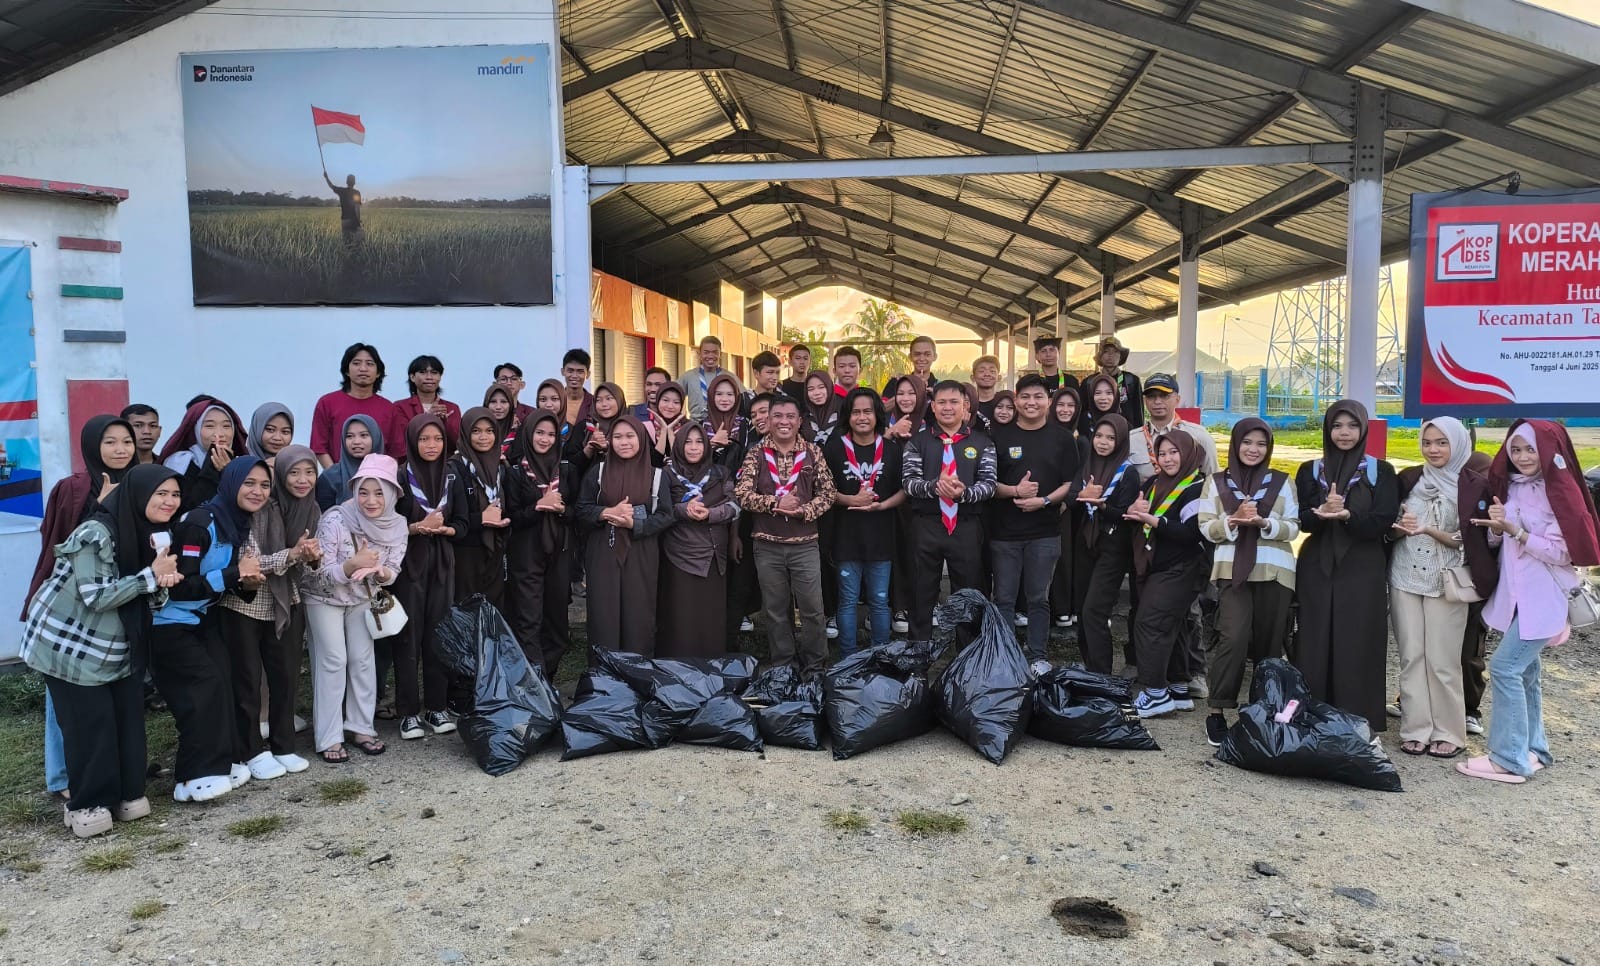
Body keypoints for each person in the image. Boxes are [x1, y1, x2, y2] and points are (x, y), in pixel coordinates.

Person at [20, 464, 182, 837]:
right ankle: (86, 805)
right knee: (90, 725)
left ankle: (127, 793)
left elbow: (146, 598)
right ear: (139, 494)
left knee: (126, 719)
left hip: (116, 648)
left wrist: (160, 584)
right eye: (161, 493)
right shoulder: (95, 533)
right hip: (68, 647)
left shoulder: (151, 535)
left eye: (175, 494)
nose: (170, 501)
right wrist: (149, 578)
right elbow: (96, 596)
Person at [1459, 420, 1600, 784]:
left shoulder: (1561, 492)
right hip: (1517, 597)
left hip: (1546, 597)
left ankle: (1509, 759)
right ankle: (1534, 750)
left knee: (1506, 669)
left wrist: (1516, 531)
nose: (1521, 457)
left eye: (1530, 449)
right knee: (1527, 673)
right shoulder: (1512, 488)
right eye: (1516, 449)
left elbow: (1562, 552)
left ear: (1549, 451)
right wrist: (1495, 529)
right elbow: (1500, 544)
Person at [24, 415, 138, 806]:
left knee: (105, 705)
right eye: (110, 442)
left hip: (117, 608)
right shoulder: (74, 488)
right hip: (75, 613)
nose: (121, 449)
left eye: (127, 440)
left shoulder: (138, 482)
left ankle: (113, 772)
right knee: (66, 699)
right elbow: (60, 545)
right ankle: (62, 777)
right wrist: (100, 511)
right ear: (92, 446)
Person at [150, 457, 268, 800]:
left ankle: (225, 761)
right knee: (201, 692)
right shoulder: (201, 523)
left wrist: (247, 581)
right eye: (249, 483)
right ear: (230, 483)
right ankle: (192, 775)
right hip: (169, 624)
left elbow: (222, 581)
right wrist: (234, 575)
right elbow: (179, 586)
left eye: (263, 485)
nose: (257, 491)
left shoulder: (235, 523)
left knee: (224, 685)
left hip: (202, 620)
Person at [1293, 399, 1399, 732]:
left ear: (1364, 428)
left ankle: (1358, 716)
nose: (1344, 433)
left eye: (1352, 425)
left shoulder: (1380, 471)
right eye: (1337, 425)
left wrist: (1350, 516)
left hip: (1362, 564)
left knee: (1358, 638)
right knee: (1314, 636)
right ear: (1327, 429)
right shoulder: (1311, 469)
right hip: (1317, 563)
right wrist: (1321, 512)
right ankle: (1313, 713)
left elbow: (1384, 520)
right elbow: (1302, 522)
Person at [218, 445, 321, 777]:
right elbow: (246, 564)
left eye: (310, 473)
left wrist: (312, 559)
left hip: (287, 601)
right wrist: (291, 556)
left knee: (286, 677)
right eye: (294, 472)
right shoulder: (253, 511)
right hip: (245, 604)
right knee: (247, 680)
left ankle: (284, 746)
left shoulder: (310, 509)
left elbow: (308, 569)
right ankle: (251, 750)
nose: (302, 480)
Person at [1197, 418, 1298, 745]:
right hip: (1232, 573)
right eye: (1247, 443)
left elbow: (1294, 526)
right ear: (1236, 445)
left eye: (1261, 444)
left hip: (1274, 572)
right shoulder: (1216, 482)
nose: (1253, 450)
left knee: (1270, 646)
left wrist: (1265, 522)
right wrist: (1234, 521)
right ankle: (1217, 711)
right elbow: (1205, 526)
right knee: (1234, 638)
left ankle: (1264, 711)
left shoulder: (1282, 482)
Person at [303, 454, 407, 763]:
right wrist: (351, 566)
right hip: (324, 598)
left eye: (379, 492)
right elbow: (319, 573)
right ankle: (329, 737)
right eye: (363, 491)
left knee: (363, 661)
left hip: (361, 597)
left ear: (391, 494)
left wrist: (380, 572)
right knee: (333, 660)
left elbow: (393, 569)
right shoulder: (336, 518)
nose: (370, 500)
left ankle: (362, 727)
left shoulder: (398, 524)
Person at [1388, 417, 1474, 759]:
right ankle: (1415, 728)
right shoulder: (1410, 480)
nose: (1434, 449)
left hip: (1446, 582)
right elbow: (1391, 529)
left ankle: (1449, 731)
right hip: (1404, 578)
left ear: (1457, 444)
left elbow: (1467, 542)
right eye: (1428, 442)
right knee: (1411, 656)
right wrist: (1399, 528)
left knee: (1443, 659)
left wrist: (1427, 529)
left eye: (1442, 442)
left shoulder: (1472, 485)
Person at [733, 396, 837, 672]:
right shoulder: (756, 453)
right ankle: (784, 666)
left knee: (813, 609)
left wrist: (804, 510)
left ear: (799, 421)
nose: (784, 422)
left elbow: (828, 494)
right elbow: (742, 494)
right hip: (767, 545)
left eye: (790, 416)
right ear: (768, 420)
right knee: (777, 612)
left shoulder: (812, 452)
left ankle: (816, 665)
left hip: (805, 545)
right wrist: (775, 503)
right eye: (777, 416)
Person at [989, 375, 1080, 675]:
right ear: (1016, 400)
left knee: (1038, 597)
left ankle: (1038, 655)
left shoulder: (1063, 438)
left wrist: (1042, 501)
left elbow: (1070, 483)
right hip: (1004, 532)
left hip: (1045, 531)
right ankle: (1002, 655)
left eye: (1038, 397)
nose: (1031, 402)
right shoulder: (999, 436)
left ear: (1048, 402)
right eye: (1025, 396)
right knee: (1003, 597)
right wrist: (1015, 491)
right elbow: (988, 482)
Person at [900, 380, 997, 641]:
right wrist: (935, 487)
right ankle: (917, 660)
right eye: (941, 402)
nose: (947, 407)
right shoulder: (917, 442)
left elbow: (989, 485)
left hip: (966, 525)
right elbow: (908, 483)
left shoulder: (982, 442)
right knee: (922, 593)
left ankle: (967, 661)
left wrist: (962, 493)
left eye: (954, 402)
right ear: (932, 407)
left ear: (965, 406)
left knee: (966, 595)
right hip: (926, 525)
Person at [1125, 433, 1208, 718]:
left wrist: (1154, 521)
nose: (1168, 458)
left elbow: (1192, 533)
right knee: (1174, 625)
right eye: (1162, 454)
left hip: (1181, 568)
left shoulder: (1196, 487)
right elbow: (1137, 511)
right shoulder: (1153, 483)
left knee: (1150, 624)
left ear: (1188, 453)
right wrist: (1134, 510)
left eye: (1175, 452)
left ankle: (1156, 693)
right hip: (1156, 565)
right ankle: (1178, 687)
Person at [576, 415, 675, 654]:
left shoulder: (656, 475)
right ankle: (604, 677)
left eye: (630, 436)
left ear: (641, 439)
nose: (624, 442)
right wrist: (606, 512)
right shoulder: (598, 472)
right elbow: (581, 508)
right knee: (603, 614)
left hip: (641, 549)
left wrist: (635, 524)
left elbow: (665, 515)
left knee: (638, 612)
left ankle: (638, 672)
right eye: (617, 437)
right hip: (604, 549)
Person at [393, 415, 460, 739]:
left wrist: (450, 529)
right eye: (424, 439)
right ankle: (407, 712)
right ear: (412, 441)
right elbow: (387, 525)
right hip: (409, 567)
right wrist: (416, 528)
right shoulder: (400, 477)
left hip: (443, 566)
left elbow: (462, 520)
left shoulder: (452, 475)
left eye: (437, 439)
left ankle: (436, 707)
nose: (431, 445)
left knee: (438, 636)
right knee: (409, 638)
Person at [823, 388, 905, 655]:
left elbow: (905, 490)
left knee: (880, 601)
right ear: (848, 415)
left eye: (867, 411)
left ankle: (879, 656)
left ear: (876, 414)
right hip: (847, 537)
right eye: (856, 412)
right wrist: (850, 500)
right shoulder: (834, 447)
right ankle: (848, 658)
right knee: (847, 601)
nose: (862, 417)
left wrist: (882, 505)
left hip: (881, 536)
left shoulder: (892, 449)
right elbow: (821, 490)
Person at [505, 412, 576, 677]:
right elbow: (511, 516)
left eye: (550, 434)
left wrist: (559, 509)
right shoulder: (515, 471)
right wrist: (538, 506)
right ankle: (534, 688)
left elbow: (576, 513)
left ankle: (546, 679)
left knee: (557, 624)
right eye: (539, 432)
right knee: (528, 622)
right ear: (528, 434)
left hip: (559, 553)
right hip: (526, 555)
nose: (544, 439)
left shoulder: (566, 469)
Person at [1070, 414, 1143, 674]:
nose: (1103, 442)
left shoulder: (1128, 472)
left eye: (1111, 438)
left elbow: (1125, 514)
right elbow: (1070, 499)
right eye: (1099, 436)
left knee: (1095, 611)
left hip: (1112, 548)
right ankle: (1089, 666)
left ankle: (1101, 675)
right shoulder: (1086, 464)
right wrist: (1081, 495)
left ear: (1121, 441)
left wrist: (1102, 505)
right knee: (1081, 609)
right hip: (1085, 545)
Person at [659, 424, 739, 657]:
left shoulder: (721, 473)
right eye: (688, 442)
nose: (693, 447)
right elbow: (660, 510)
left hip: (715, 555)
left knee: (710, 616)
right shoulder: (666, 474)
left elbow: (735, 506)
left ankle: (711, 668)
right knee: (681, 616)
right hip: (679, 554)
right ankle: (681, 669)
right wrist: (684, 509)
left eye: (699, 442)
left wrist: (712, 514)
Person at [448, 407, 510, 608]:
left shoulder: (499, 466)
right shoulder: (454, 467)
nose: (484, 437)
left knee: (493, 610)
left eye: (489, 431)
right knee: (468, 610)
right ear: (465, 433)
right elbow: (450, 517)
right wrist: (481, 519)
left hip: (495, 549)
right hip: (466, 553)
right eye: (476, 431)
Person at [724, 394, 772, 642]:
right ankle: (729, 650)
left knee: (781, 594)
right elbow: (737, 493)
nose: (759, 418)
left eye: (764, 411)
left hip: (785, 533)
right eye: (754, 415)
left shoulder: (801, 447)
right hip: (749, 528)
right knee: (739, 587)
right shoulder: (748, 447)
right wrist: (734, 534)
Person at [309, 343, 398, 466]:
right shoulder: (327, 403)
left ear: (378, 372)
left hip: (378, 479)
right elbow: (318, 446)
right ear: (347, 370)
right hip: (337, 480)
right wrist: (335, 476)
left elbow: (395, 452)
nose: (363, 369)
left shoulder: (389, 408)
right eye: (356, 363)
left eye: (369, 364)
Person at [160, 400, 250, 510]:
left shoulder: (242, 463)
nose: (220, 434)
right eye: (209, 426)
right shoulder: (180, 462)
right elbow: (187, 508)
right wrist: (213, 471)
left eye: (226, 426)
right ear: (196, 430)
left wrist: (230, 472)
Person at [1049, 386, 1088, 629]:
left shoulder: (1081, 439)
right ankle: (1057, 607)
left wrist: (1067, 501)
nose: (1065, 410)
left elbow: (1081, 474)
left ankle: (1070, 606)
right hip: (1050, 503)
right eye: (1061, 405)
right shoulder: (1047, 433)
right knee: (1056, 557)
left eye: (1070, 406)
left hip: (1074, 506)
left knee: (1073, 557)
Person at [1080, 373, 1151, 480]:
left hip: (1118, 479)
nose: (1103, 398)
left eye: (1109, 393)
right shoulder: (1083, 421)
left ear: (1116, 395)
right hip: (1086, 478)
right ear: (1091, 396)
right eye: (1098, 393)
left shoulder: (1124, 424)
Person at [315, 414, 384, 512]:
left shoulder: (389, 474)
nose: (356, 441)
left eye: (364, 435)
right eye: (349, 436)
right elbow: (324, 519)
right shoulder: (330, 477)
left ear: (376, 437)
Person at [393, 355, 463, 444]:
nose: (429, 377)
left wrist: (445, 422)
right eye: (423, 372)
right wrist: (427, 417)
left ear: (440, 377)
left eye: (434, 372)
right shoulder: (400, 407)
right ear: (412, 377)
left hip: (445, 457)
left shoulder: (452, 408)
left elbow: (457, 442)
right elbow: (401, 439)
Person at [680, 336, 739, 421]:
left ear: (720, 354)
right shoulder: (688, 376)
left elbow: (743, 400)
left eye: (715, 352)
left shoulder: (730, 377)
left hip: (722, 426)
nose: (711, 356)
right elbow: (672, 396)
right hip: (696, 426)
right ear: (699, 354)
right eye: (706, 352)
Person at [1093, 335, 1144, 428]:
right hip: (1098, 434)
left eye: (1115, 352)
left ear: (1120, 356)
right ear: (1100, 356)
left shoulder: (1132, 380)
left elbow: (1138, 412)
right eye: (1106, 352)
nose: (1110, 355)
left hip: (1126, 433)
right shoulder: (1089, 382)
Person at [702, 373, 748, 473]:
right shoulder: (701, 425)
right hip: (707, 483)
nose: (724, 399)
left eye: (730, 394)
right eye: (719, 394)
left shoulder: (746, 424)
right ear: (711, 396)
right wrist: (712, 443)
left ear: (736, 397)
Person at [647, 383, 690, 464]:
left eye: (676, 402)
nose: (670, 406)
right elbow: (654, 463)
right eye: (665, 400)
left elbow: (684, 463)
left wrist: (670, 432)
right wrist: (663, 430)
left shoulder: (689, 428)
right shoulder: (647, 428)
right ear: (658, 401)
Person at [559, 350, 596, 434]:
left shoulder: (595, 403)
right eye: (570, 371)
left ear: (588, 374)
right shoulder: (554, 401)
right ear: (563, 372)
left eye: (580, 371)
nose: (575, 376)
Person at [324, 171, 363, 246]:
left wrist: (326, 177)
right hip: (354, 220)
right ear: (354, 182)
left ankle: (347, 255)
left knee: (346, 242)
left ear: (346, 182)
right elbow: (357, 209)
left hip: (344, 220)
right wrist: (358, 222)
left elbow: (331, 186)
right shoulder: (357, 193)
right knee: (356, 243)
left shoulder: (342, 191)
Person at [800, 371, 839, 445]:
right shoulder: (803, 418)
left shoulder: (842, 414)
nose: (817, 393)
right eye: (811, 389)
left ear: (829, 387)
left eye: (821, 387)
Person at [884, 374, 927, 442]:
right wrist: (891, 432)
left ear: (921, 395)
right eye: (900, 393)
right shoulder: (883, 422)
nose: (905, 399)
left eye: (912, 393)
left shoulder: (930, 424)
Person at [483, 383, 521, 458]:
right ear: (486, 404)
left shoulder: (520, 433)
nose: (498, 407)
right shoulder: (477, 432)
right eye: (493, 401)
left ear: (510, 404)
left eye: (503, 402)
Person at [971, 355, 1002, 422]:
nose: (987, 374)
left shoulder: (1004, 403)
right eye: (982, 371)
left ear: (999, 377)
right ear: (972, 377)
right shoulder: (968, 404)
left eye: (992, 371)